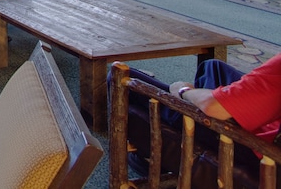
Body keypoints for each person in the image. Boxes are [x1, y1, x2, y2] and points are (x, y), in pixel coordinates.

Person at [115, 53, 281, 185]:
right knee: (212, 67)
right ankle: (199, 98)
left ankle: (152, 158)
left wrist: (183, 91)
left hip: (259, 152)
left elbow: (213, 107)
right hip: (272, 130)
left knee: (123, 79)